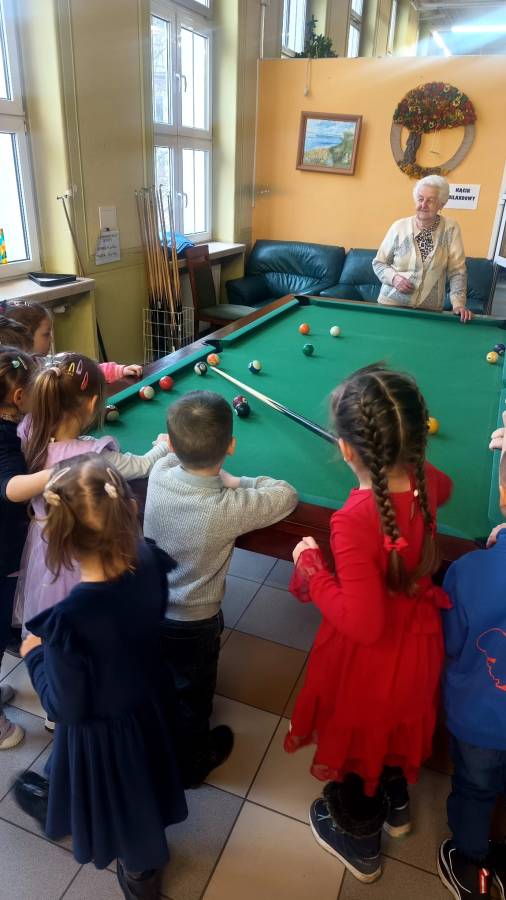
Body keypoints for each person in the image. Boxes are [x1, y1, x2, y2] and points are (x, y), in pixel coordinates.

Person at [283, 364, 453, 884]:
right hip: (419, 646)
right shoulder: (428, 481)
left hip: (372, 665)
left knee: (361, 746)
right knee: (395, 727)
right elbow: (442, 487)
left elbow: (362, 624)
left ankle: (360, 843)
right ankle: (396, 805)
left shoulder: (353, 520)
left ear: (346, 450)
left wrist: (312, 568)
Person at [14, 457, 187, 900]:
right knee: (142, 780)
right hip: (149, 700)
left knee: (126, 803)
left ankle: (142, 873)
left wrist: (36, 656)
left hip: (104, 734)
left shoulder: (71, 622)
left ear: (61, 538)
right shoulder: (148, 561)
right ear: (129, 509)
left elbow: (65, 707)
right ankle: (65, 804)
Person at [144, 389, 298, 786]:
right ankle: (191, 766)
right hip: (195, 622)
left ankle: (156, 736)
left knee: (161, 677)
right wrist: (236, 480)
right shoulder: (227, 507)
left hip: (149, 609)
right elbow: (286, 495)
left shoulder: (158, 474)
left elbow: (163, 457)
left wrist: (168, 446)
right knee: (194, 695)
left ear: (172, 444)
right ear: (231, 446)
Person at [15, 352, 169, 632]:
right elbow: (144, 465)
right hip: (84, 554)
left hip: (46, 546)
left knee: (57, 618)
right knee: (91, 617)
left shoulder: (29, 430)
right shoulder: (93, 455)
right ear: (93, 403)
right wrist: (163, 446)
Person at [436, 518, 506, 900]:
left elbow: (451, 641)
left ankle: (470, 866)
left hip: (478, 719)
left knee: (474, 790)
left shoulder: (468, 570)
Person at [0, 348, 51, 749]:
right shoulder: (3, 440)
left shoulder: (8, 425)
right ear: (18, 398)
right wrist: (61, 470)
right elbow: (13, 488)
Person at [372, 175, 471, 322]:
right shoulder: (399, 227)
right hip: (391, 306)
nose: (423, 205)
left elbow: (457, 271)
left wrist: (458, 304)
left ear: (441, 204)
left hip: (429, 311)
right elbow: (379, 263)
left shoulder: (451, 229)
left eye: (430, 200)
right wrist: (394, 278)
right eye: (420, 199)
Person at [1, 299, 143, 381]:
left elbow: (85, 371)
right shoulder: (14, 381)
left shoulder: (46, 363)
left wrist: (118, 370)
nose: (51, 339)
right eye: (46, 334)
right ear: (25, 337)